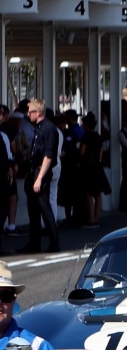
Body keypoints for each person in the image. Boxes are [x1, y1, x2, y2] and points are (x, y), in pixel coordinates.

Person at [19, 100, 61, 253]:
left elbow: (48, 156)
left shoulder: (49, 129)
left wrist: (39, 178)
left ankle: (54, 242)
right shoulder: (38, 128)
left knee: (44, 208)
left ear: (39, 112)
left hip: (41, 172)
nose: (27, 114)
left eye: (30, 111)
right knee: (33, 209)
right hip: (33, 170)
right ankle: (34, 243)